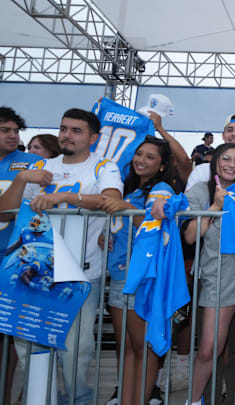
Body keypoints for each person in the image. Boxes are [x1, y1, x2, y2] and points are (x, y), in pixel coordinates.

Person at [0, 108, 123, 405]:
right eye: (64, 128)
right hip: (32, 273)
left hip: (80, 274)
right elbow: (4, 212)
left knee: (75, 355)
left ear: (93, 138)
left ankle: (77, 401)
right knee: (30, 353)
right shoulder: (41, 165)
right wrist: (21, 181)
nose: (67, 135)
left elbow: (113, 200)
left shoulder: (104, 166)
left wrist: (67, 197)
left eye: (76, 130)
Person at [98, 136, 177, 405]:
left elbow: (153, 227)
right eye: (139, 154)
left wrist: (127, 209)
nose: (141, 160)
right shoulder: (130, 189)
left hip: (144, 279)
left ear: (162, 165)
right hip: (121, 275)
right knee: (127, 348)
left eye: (150, 157)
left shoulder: (162, 189)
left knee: (143, 347)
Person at [184, 143, 235, 405]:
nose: (231, 164)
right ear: (215, 161)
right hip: (217, 276)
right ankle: (193, 401)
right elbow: (191, 236)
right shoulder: (198, 191)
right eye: (225, 158)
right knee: (210, 348)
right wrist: (215, 207)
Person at [0, 107, 42, 405]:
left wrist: (23, 179)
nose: (13, 135)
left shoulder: (32, 162)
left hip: (14, 261)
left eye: (16, 130)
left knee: (9, 340)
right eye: (5, 130)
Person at [185, 113, 235, 191]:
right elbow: (188, 201)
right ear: (223, 135)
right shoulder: (202, 171)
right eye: (230, 130)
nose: (234, 134)